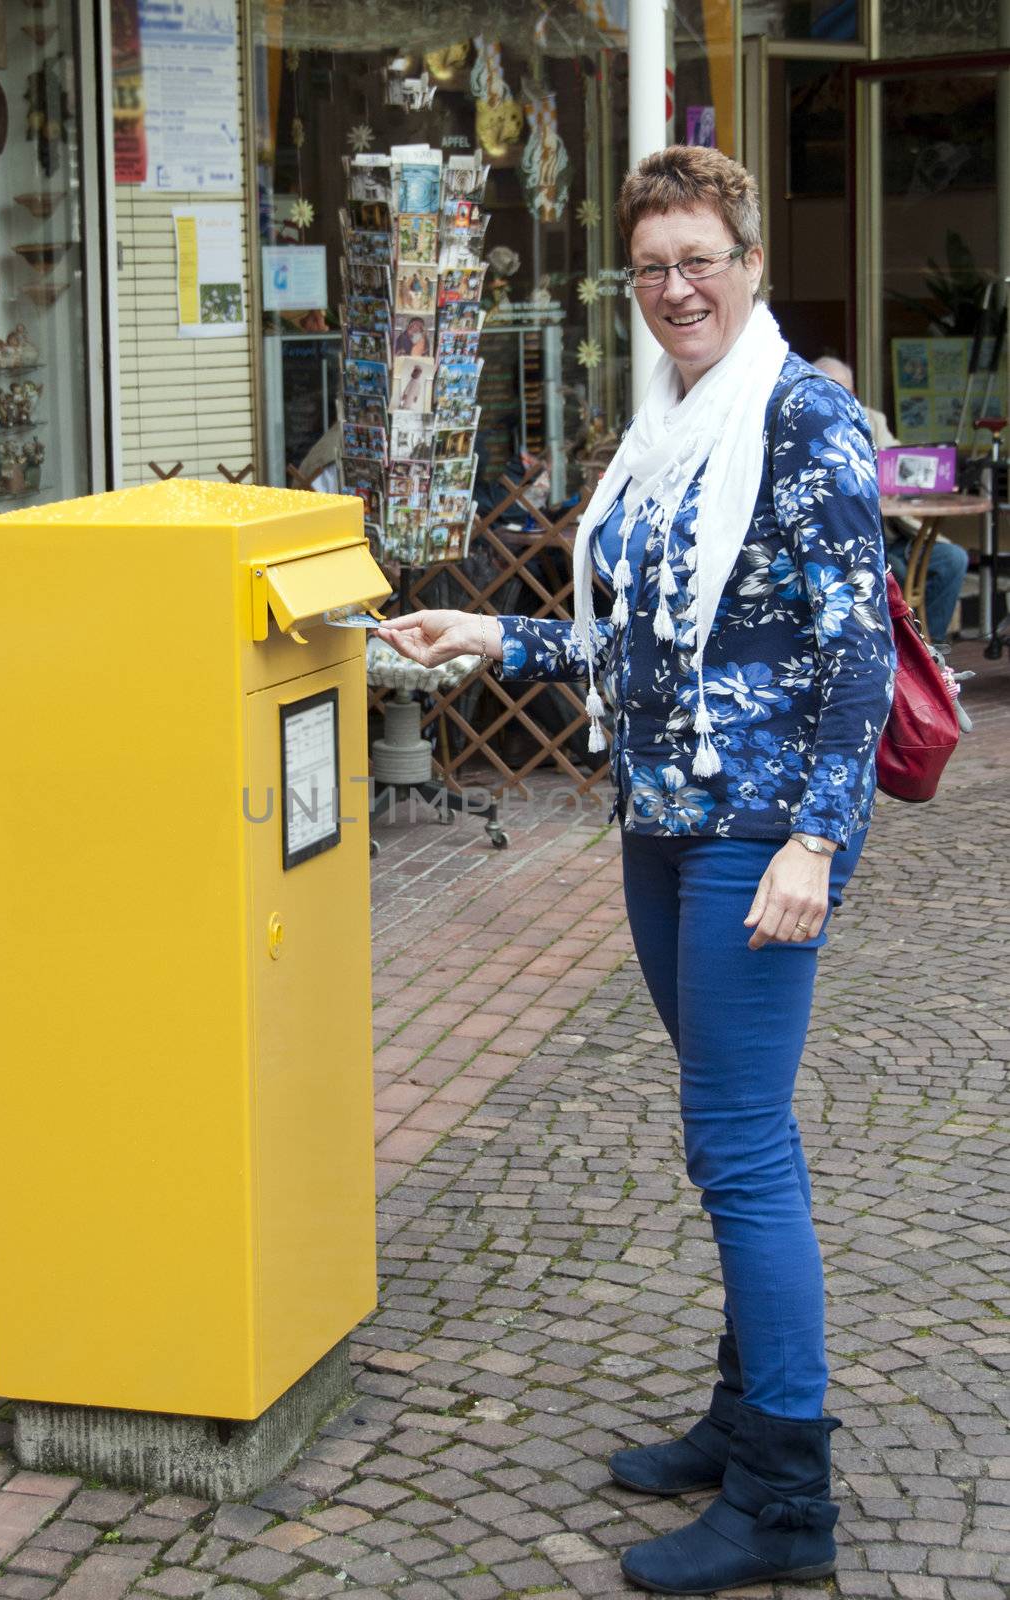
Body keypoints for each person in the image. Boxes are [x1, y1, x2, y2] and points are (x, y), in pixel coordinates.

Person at [378, 145, 895, 1594]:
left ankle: (786, 1497)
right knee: (726, 1135)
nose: (675, 288)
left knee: (738, 1147)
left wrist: (812, 838)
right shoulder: (668, 424)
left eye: (699, 260)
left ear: (748, 265)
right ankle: (742, 1419)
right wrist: (498, 639)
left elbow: (853, 648)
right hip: (657, 825)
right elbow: (650, 645)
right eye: (650, 266)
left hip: (750, 833)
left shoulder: (798, 419)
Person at [814, 355, 969, 645]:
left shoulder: (873, 419)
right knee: (892, 570)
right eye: (829, 389)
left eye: (845, 392)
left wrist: (928, 477)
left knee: (953, 560)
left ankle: (927, 649)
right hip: (855, 541)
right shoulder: (804, 423)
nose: (839, 398)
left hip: (898, 532)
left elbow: (901, 464)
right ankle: (894, 652)